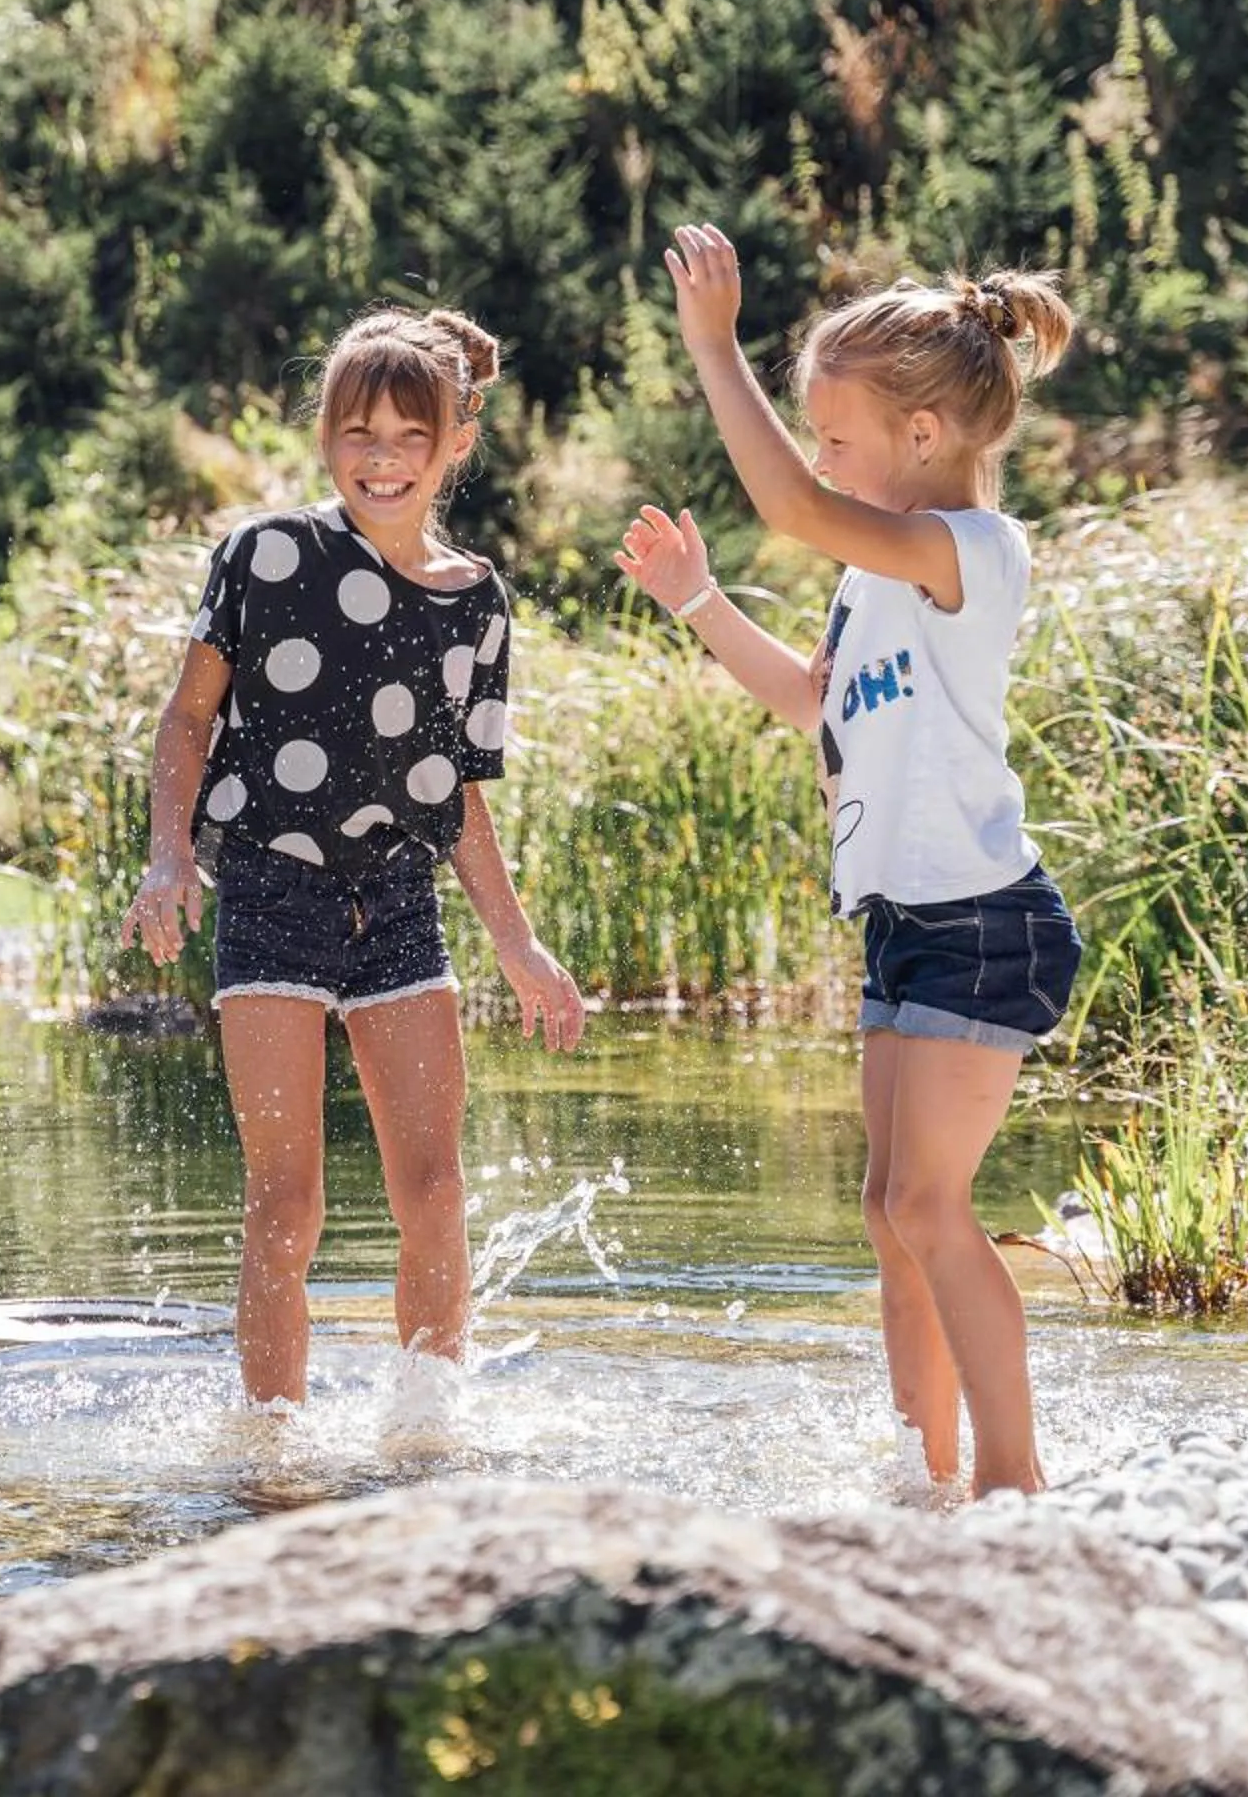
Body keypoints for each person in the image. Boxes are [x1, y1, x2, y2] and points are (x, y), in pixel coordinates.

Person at [617, 228, 1084, 1498]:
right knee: (891, 1215)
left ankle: (1013, 1482)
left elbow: (792, 505)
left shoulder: (970, 555)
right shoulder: (872, 581)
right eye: (815, 436)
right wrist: (701, 603)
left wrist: (714, 348)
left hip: (986, 918)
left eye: (835, 435)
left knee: (929, 1207)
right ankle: (925, 1474)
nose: (819, 459)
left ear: (925, 434)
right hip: (906, 919)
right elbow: (810, 703)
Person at [120, 305, 588, 1410]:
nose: (382, 460)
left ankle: (428, 1431)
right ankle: (270, 1453)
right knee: (287, 1202)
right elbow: (189, 720)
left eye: (408, 437)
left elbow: (458, 791)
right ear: (326, 438)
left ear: (456, 441)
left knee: (434, 1190)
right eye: (357, 435)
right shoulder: (266, 553)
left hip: (400, 901)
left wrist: (518, 943)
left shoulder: (477, 602)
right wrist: (168, 857)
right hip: (271, 890)